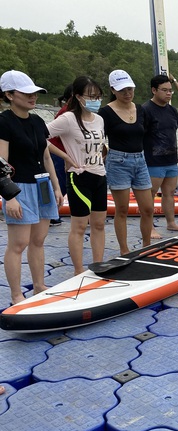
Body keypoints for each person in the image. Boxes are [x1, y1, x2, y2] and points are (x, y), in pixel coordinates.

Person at [0, 70, 63, 305]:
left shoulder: (37, 121)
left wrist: (57, 187)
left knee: (39, 239)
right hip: (20, 187)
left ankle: (39, 286)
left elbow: (46, 157)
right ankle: (16, 295)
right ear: (9, 94)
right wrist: (10, 197)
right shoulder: (4, 122)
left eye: (35, 93)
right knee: (18, 243)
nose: (33, 97)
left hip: (43, 184)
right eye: (26, 93)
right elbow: (1, 163)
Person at [46, 76, 108, 275]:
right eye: (91, 96)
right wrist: (66, 156)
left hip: (100, 175)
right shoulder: (68, 119)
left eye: (98, 97)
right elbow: (38, 135)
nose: (95, 100)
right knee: (80, 226)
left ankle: (98, 265)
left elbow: (98, 145)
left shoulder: (99, 119)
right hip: (79, 177)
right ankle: (78, 270)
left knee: (99, 224)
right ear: (78, 96)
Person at [99, 70, 154, 255]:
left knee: (148, 208)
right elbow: (99, 140)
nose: (127, 93)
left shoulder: (140, 109)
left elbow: (144, 134)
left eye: (130, 89)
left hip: (140, 160)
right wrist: (103, 156)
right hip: (118, 161)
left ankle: (146, 246)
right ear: (113, 90)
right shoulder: (105, 112)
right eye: (122, 90)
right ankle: (124, 249)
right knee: (122, 209)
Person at [142, 75, 178, 237]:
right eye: (164, 90)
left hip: (171, 160)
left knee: (169, 194)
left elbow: (173, 131)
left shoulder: (172, 110)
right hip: (153, 161)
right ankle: (150, 227)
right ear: (154, 90)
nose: (168, 94)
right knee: (150, 195)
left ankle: (171, 223)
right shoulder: (145, 110)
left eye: (170, 91)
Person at [47, 83, 73, 225]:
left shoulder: (71, 111)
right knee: (59, 184)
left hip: (65, 153)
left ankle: (53, 213)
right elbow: (47, 135)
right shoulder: (66, 112)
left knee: (62, 184)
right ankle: (52, 214)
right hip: (58, 153)